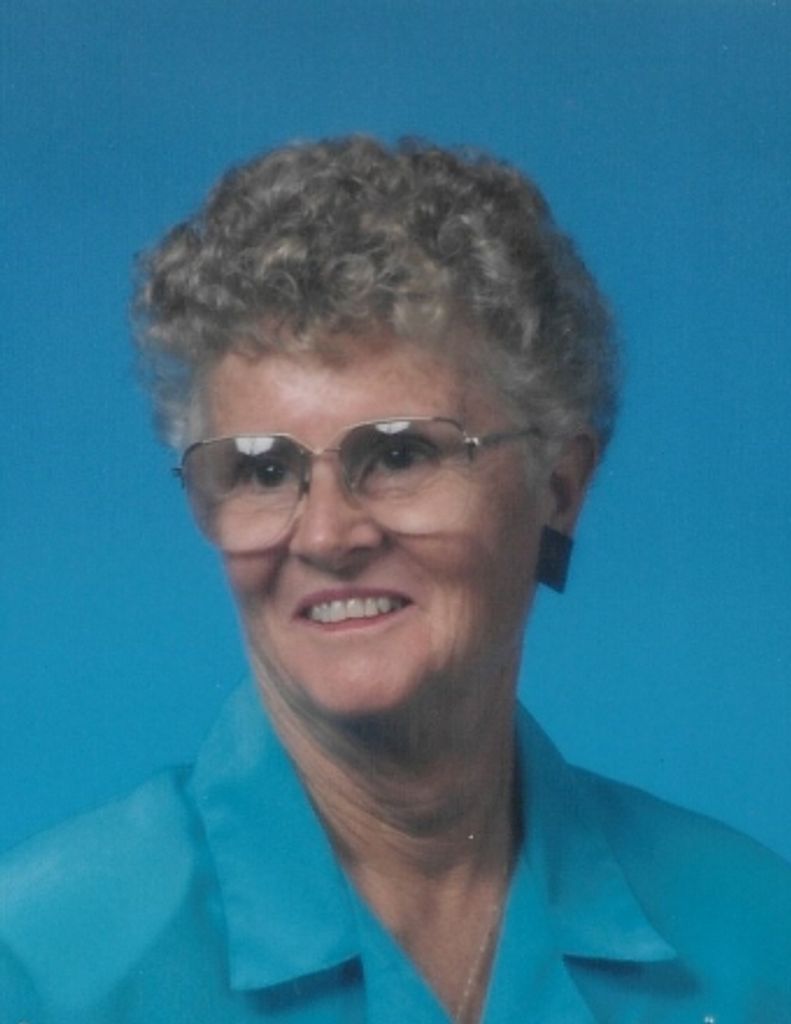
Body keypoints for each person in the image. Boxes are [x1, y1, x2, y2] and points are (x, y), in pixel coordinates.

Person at [1, 136, 789, 1024]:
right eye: (262, 470)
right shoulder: (43, 973)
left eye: (401, 454)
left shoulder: (756, 941)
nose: (327, 535)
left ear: (559, 488)